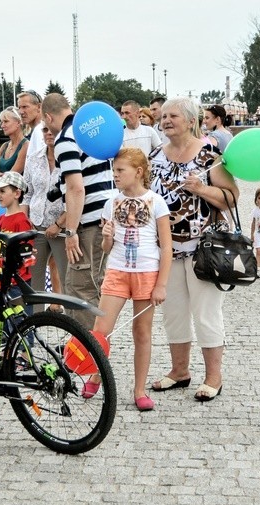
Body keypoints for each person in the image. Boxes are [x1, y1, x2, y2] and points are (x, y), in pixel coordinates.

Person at [148, 97, 239, 402]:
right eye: (163, 116)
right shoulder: (155, 155)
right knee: (173, 314)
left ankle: (214, 376)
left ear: (191, 121)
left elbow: (232, 197)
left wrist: (201, 189)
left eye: (173, 116)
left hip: (204, 250)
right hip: (167, 250)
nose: (166, 120)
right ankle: (179, 371)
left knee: (206, 314)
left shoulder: (209, 156)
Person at [81, 148, 171, 412]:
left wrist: (161, 284)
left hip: (146, 273)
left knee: (141, 332)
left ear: (139, 172)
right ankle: (96, 375)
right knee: (101, 329)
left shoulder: (156, 202)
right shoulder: (111, 203)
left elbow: (167, 247)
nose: (115, 175)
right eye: (114, 170)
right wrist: (107, 236)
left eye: (121, 170)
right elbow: (106, 248)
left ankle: (139, 389)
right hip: (117, 272)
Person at [41, 93, 116, 330]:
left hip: (88, 223)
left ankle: (88, 350)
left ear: (48, 117)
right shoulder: (91, 132)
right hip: (108, 215)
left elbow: (76, 188)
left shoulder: (65, 138)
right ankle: (99, 346)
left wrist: (71, 231)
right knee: (97, 284)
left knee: (79, 290)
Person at [17, 90, 66, 313]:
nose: (48, 134)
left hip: (60, 227)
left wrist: (59, 224)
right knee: (34, 279)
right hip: (36, 224)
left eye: (50, 130)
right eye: (44, 130)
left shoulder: (69, 158)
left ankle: (71, 324)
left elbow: (75, 194)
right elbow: (27, 193)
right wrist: (24, 219)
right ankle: (34, 323)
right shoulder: (34, 159)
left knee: (66, 276)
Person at [0, 172, 34, 300]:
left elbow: (25, 252)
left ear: (17, 193)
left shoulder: (22, 221)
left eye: (2, 191)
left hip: (16, 283)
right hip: (1, 279)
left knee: (18, 313)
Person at [0, 106, 28, 182]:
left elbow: (11, 179)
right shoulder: (4, 146)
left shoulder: (25, 146)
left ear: (18, 123)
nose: (2, 126)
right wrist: (2, 177)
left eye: (6, 121)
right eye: (1, 122)